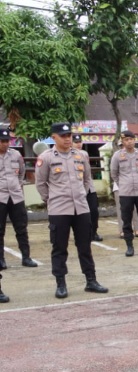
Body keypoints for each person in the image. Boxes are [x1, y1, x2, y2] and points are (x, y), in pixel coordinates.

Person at [35, 122, 108, 299]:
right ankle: (61, 283)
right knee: (59, 248)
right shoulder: (46, 158)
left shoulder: (81, 155)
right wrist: (51, 200)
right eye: (63, 136)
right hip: (59, 210)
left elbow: (87, 179)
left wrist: (81, 195)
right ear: (54, 137)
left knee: (85, 246)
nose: (67, 139)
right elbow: (41, 184)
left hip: (81, 208)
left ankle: (91, 281)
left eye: (69, 135)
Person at [110, 130, 138, 257]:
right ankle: (129, 247)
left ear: (134, 140)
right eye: (126, 140)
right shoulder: (117, 156)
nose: (129, 142)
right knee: (126, 221)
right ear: (122, 142)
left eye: (131, 139)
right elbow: (114, 173)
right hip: (125, 193)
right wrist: (123, 184)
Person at [0, 126, 38, 269]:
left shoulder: (15, 155)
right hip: (0, 198)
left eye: (7, 141)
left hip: (16, 197)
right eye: (2, 141)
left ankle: (26, 257)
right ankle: (1, 260)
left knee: (21, 228)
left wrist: (17, 185)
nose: (5, 144)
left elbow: (21, 172)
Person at [71, 134, 103, 242]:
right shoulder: (67, 156)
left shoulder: (84, 154)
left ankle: (94, 232)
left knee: (94, 211)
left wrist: (86, 189)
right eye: (76, 142)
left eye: (80, 142)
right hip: (76, 189)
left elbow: (87, 173)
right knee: (79, 214)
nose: (78, 144)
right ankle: (82, 233)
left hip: (88, 188)